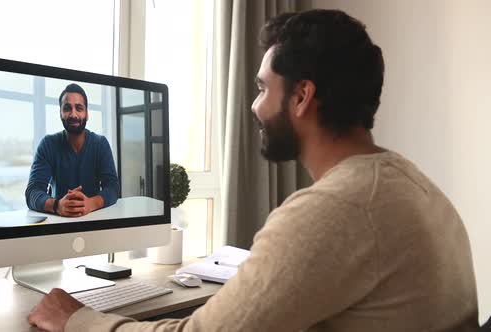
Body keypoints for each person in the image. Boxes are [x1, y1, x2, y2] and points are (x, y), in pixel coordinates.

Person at [28, 9, 479, 331]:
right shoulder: (413, 183)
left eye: (263, 88)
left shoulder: (335, 208)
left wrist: (78, 319)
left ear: (302, 96)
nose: (254, 105)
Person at [25, 83, 119, 217]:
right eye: (67, 108)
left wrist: (90, 204)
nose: (73, 114)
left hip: (94, 219)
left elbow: (112, 188)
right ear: (60, 113)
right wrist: (57, 205)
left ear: (86, 114)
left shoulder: (100, 144)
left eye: (79, 108)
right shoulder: (48, 144)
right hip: (58, 222)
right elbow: (33, 192)